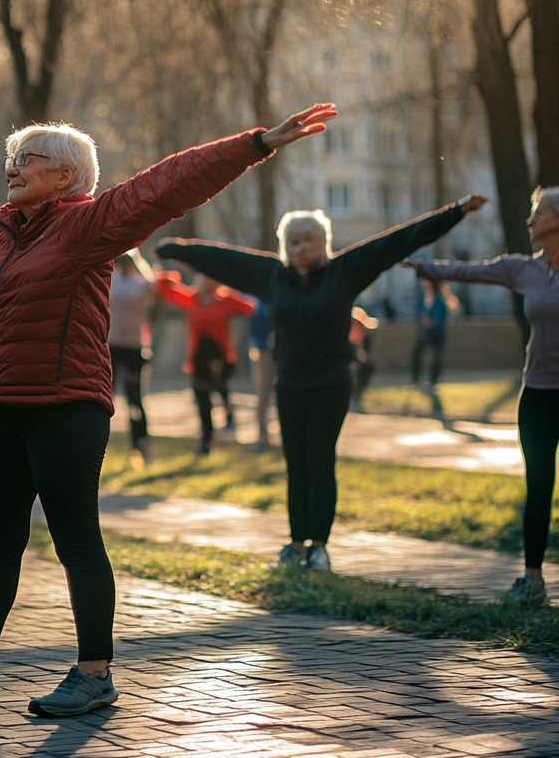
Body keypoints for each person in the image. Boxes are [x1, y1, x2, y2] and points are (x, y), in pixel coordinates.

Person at [0, 102, 336, 717]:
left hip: (67, 409)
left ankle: (94, 674)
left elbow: (168, 183)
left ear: (65, 175)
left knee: (76, 541)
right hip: (0, 407)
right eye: (11, 159)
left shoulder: (91, 225)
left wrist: (255, 144)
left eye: (27, 159)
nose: (12, 168)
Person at [157, 193, 487, 571]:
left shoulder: (344, 271)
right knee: (296, 463)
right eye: (294, 241)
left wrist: (456, 211)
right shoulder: (272, 275)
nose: (301, 248)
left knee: (319, 459)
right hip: (290, 385)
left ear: (324, 242)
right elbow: (223, 259)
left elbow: (397, 240)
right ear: (285, 246)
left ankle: (319, 545)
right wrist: (177, 249)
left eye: (309, 240)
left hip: (331, 383)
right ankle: (296, 541)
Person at [406, 186, 559, 605]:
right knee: (538, 486)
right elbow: (469, 271)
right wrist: (421, 265)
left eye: (539, 212)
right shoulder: (522, 269)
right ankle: (532, 579)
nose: (530, 220)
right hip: (537, 395)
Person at [155, 269, 255, 451]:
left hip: (222, 357)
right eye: (204, 278)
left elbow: (250, 308)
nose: (207, 282)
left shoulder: (226, 300)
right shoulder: (192, 299)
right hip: (198, 358)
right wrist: (170, 276)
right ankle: (207, 439)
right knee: (202, 397)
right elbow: (165, 290)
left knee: (221, 388)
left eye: (211, 279)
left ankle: (228, 412)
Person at [108, 249, 156, 459]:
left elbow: (155, 287)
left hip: (131, 346)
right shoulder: (113, 280)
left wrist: (138, 259)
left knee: (133, 398)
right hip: (113, 345)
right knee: (107, 397)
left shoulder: (140, 283)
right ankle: (101, 442)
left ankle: (140, 444)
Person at [411, 277, 459, 413]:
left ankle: (432, 383)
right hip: (425, 333)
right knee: (417, 354)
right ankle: (416, 381)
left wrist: (432, 322)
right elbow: (419, 310)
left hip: (437, 333)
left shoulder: (440, 297)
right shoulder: (422, 295)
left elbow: (442, 315)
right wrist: (422, 320)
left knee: (437, 358)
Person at [248, 300, 275, 449]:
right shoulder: (259, 305)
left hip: (281, 351)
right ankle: (262, 436)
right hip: (264, 351)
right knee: (264, 394)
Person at [349, 306, 379, 413]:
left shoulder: (365, 340)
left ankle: (356, 397)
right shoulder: (340, 340)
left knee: (367, 366)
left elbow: (363, 358)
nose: (362, 331)